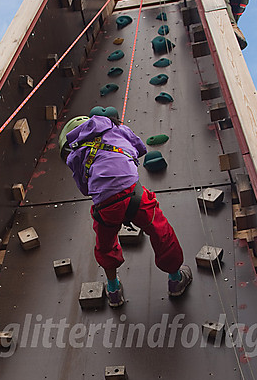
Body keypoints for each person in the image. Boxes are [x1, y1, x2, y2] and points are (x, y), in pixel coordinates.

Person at [58, 111, 192, 307]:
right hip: (134, 194)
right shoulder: (113, 128)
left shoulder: (76, 154)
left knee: (105, 244)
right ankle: (176, 279)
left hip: (105, 205)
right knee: (160, 230)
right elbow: (139, 149)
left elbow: (85, 188)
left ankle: (113, 290)